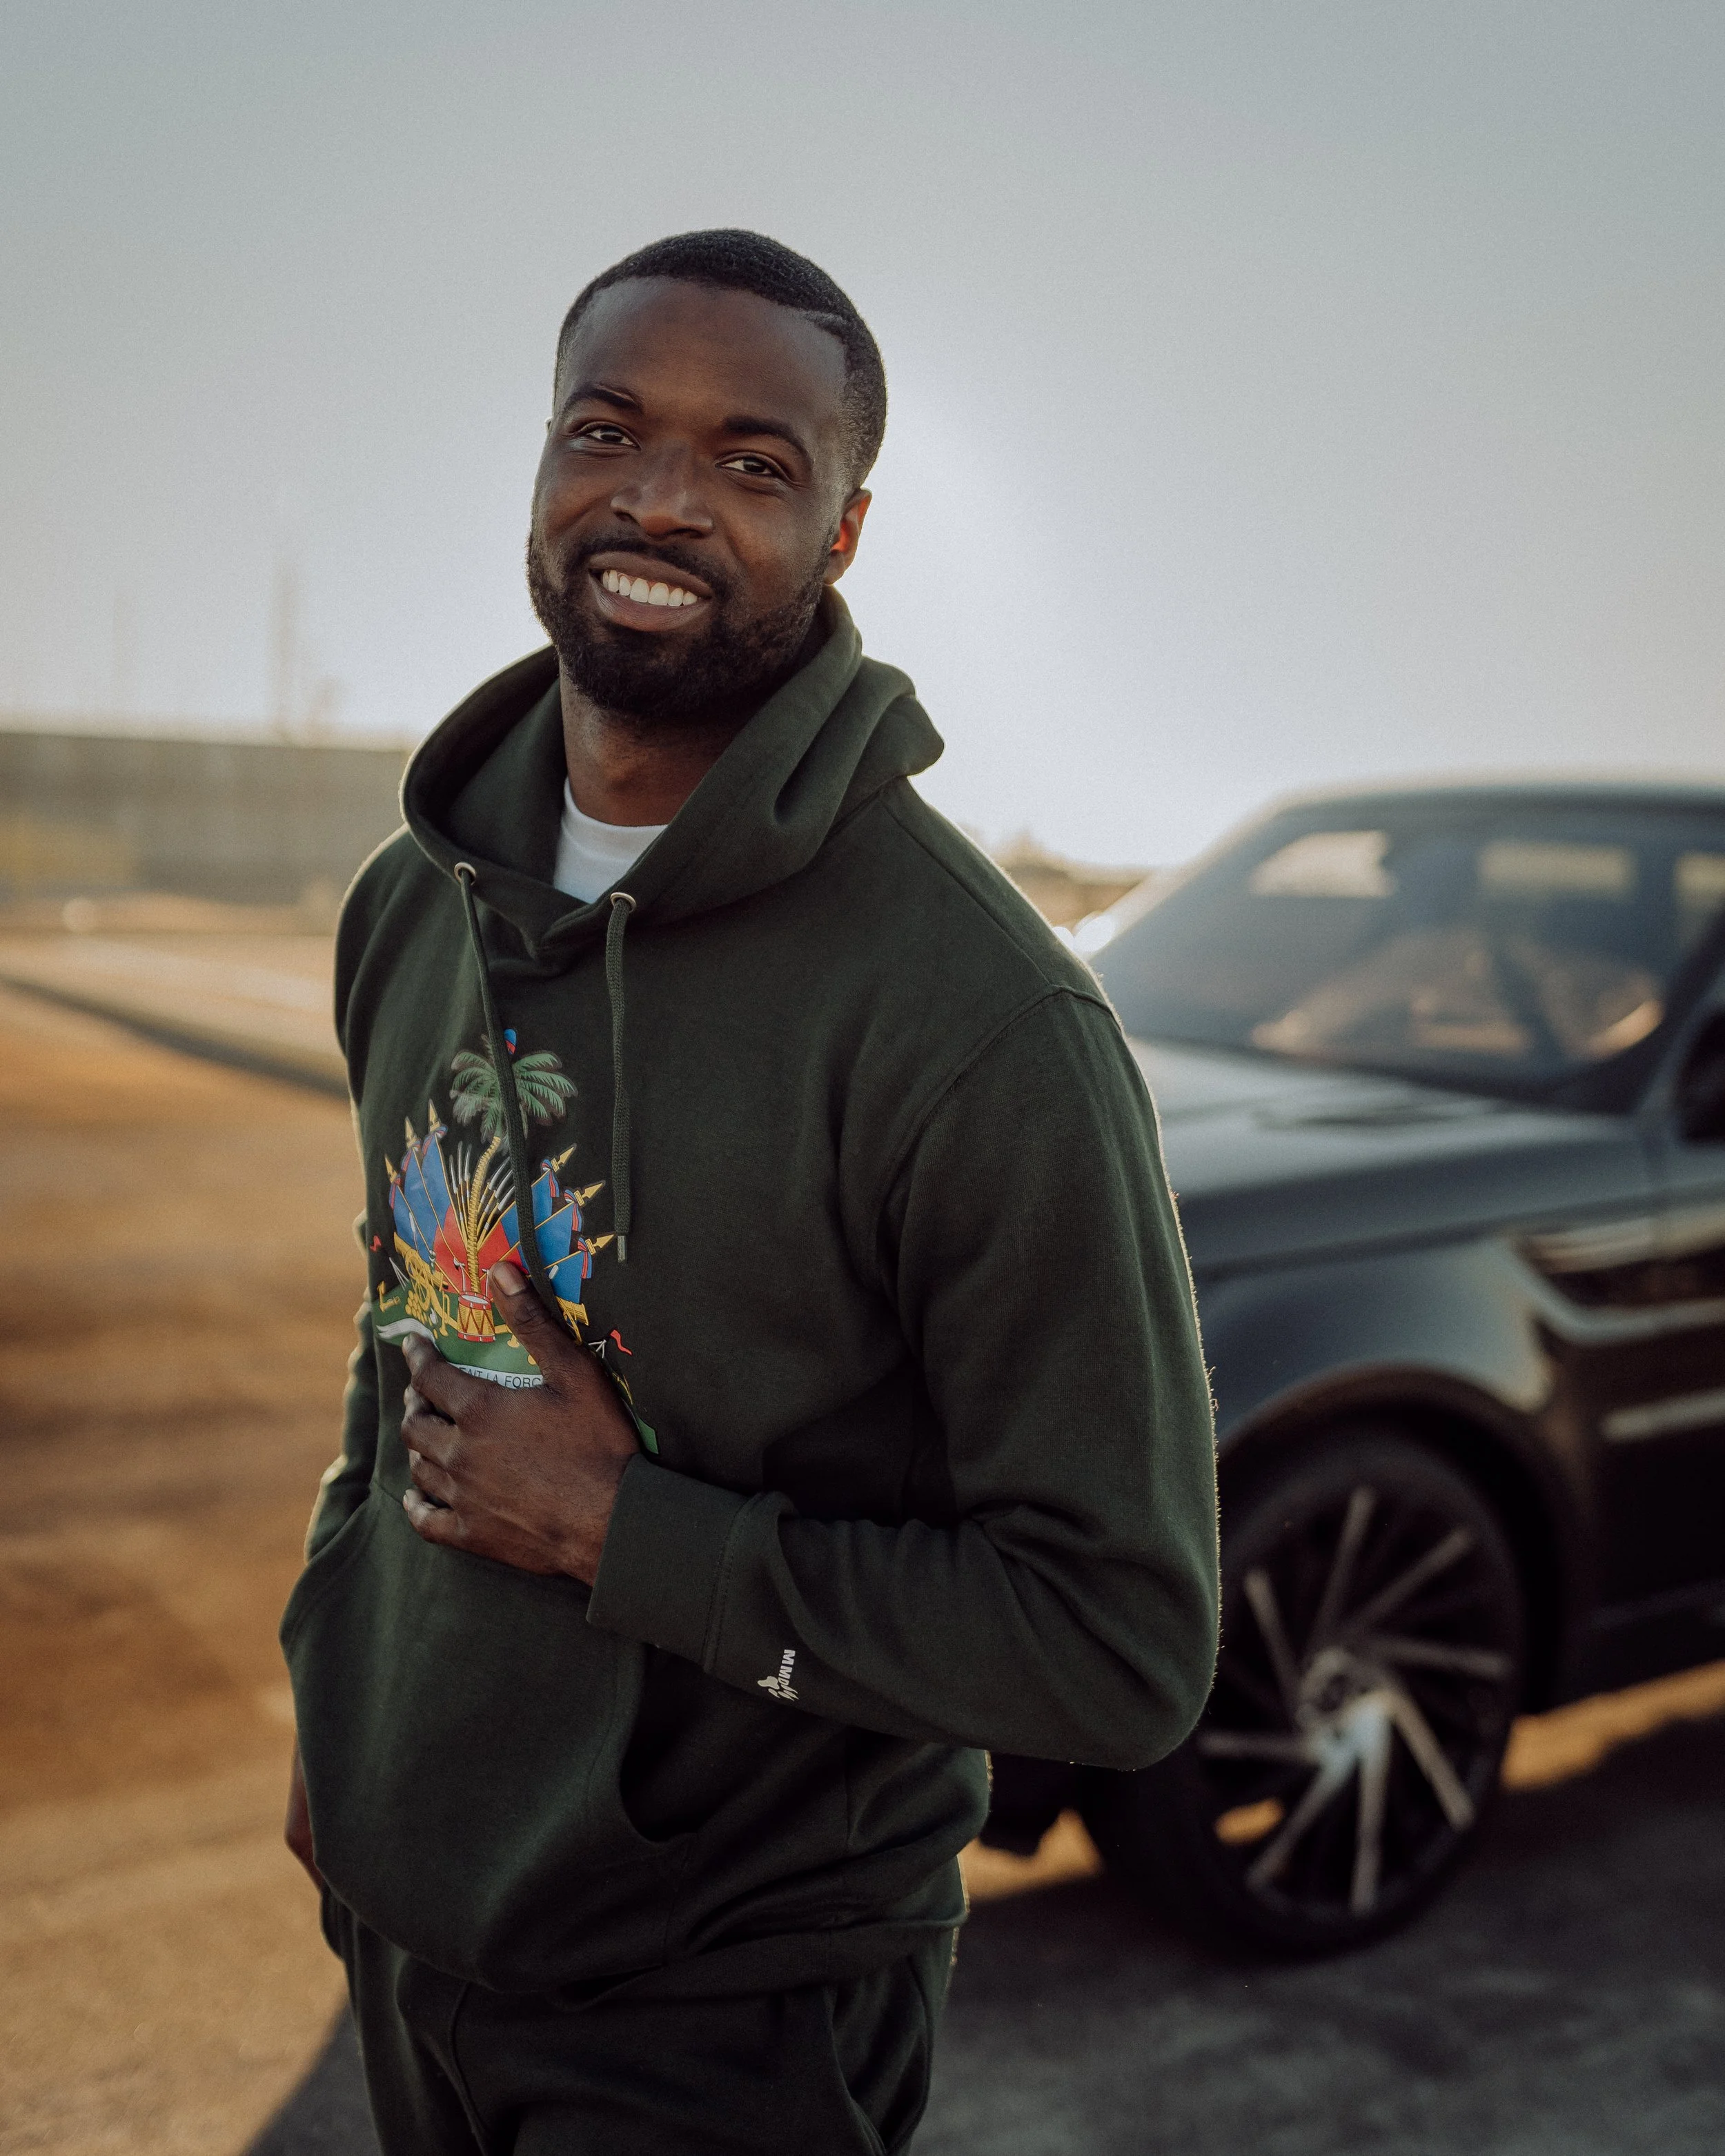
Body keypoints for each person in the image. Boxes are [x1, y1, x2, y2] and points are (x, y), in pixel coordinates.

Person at [282, 228, 1219, 2155]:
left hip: (725, 2007)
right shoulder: (412, 903)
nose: (658, 499)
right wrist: (339, 1687)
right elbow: (409, 1345)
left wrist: (626, 1529)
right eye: (607, 429)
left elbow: (1115, 1641)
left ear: (846, 535)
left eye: (751, 461)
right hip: (400, 1920)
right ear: (543, 463)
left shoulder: (977, 1017)